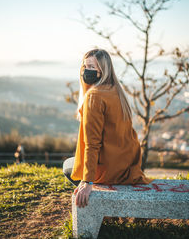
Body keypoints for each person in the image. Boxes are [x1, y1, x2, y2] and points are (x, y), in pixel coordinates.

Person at [63, 49, 153, 208]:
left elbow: (92, 144)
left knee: (68, 166)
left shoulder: (94, 96)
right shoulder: (116, 89)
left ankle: (95, 208)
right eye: (84, 66)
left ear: (102, 70)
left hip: (109, 170)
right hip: (126, 166)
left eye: (91, 66)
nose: (86, 71)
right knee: (74, 163)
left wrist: (87, 181)